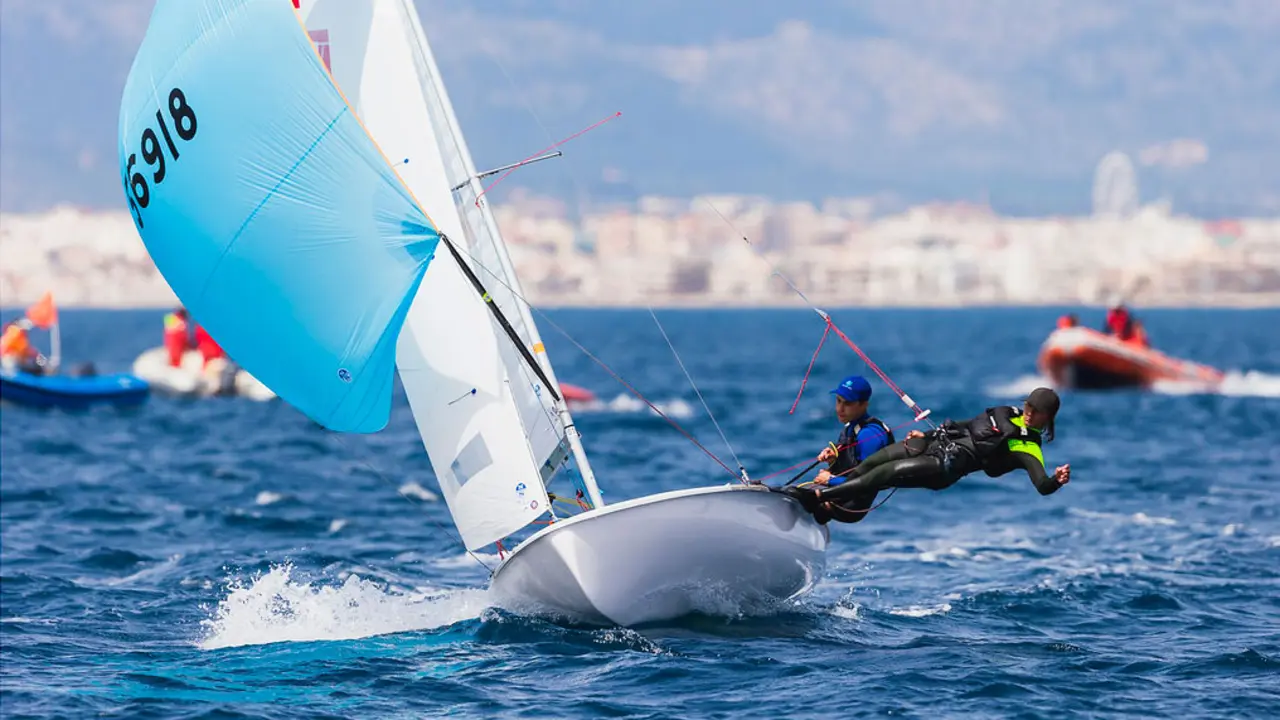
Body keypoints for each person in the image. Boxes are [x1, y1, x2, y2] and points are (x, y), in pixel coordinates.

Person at [782, 388, 1070, 523]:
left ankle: (819, 496)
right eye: (1029, 407)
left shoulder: (1028, 447)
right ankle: (827, 501)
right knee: (873, 461)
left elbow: (1042, 485)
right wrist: (927, 436)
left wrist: (1056, 480)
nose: (1030, 413)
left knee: (888, 474)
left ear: (1049, 416)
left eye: (1037, 412)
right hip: (935, 444)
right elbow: (967, 426)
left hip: (944, 467)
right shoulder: (1008, 413)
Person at [808, 375, 895, 523]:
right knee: (793, 491)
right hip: (842, 493)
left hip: (852, 506)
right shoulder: (851, 427)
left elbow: (866, 483)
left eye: (847, 403)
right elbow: (851, 461)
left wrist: (830, 480)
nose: (840, 409)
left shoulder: (869, 435)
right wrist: (833, 458)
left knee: (797, 494)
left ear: (863, 404)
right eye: (838, 401)